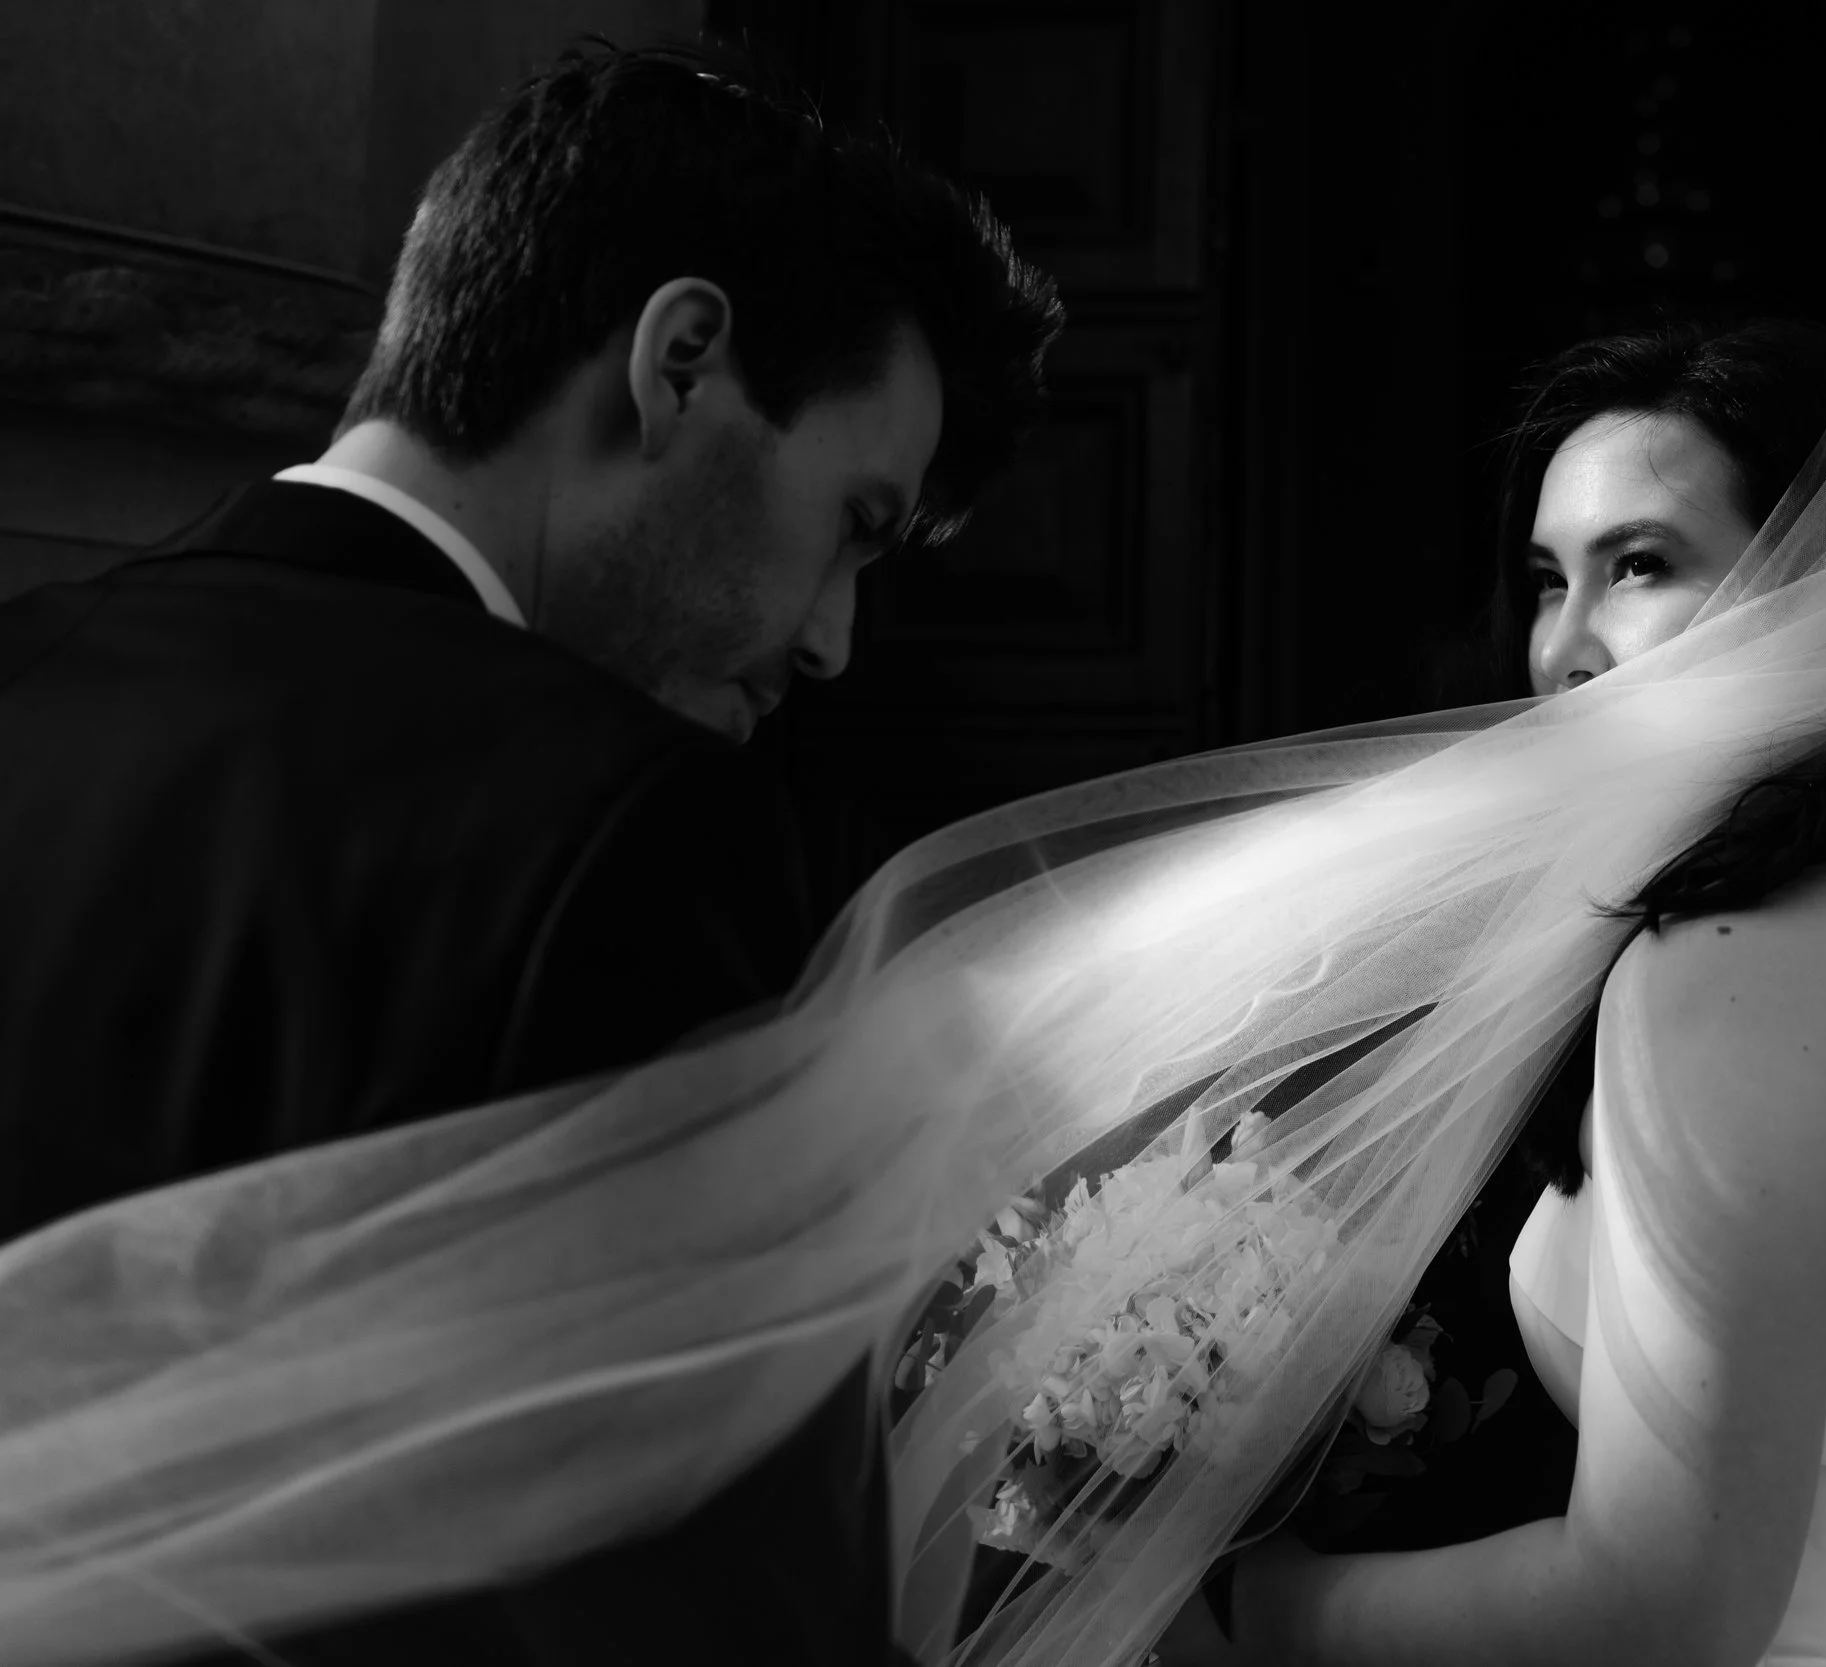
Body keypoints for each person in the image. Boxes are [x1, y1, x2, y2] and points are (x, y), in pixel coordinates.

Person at [0, 40, 1059, 1667]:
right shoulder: (622, 828)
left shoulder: (30, 662)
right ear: (683, 361)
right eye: (853, 525)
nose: (839, 640)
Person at [1149, 321, 1826, 1665]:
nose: (1563, 649)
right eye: (1542, 579)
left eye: (1638, 565)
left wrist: (1253, 1607)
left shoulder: (1722, 978)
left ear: (1814, 583)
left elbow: (1662, 1606)